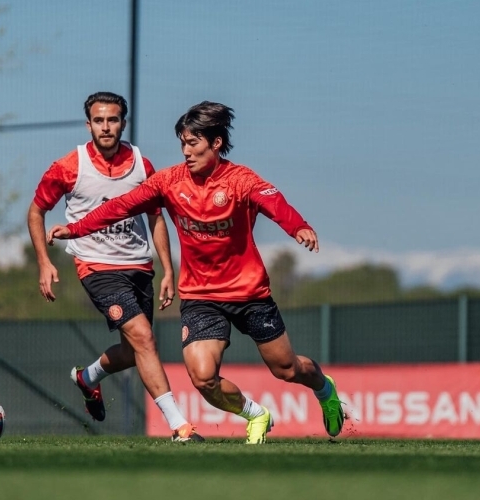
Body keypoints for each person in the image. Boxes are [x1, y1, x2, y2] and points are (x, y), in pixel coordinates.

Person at [47, 101, 345, 444]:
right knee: (203, 378)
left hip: (250, 294)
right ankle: (256, 414)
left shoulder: (241, 180)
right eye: (183, 144)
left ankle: (325, 389)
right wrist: (77, 228)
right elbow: (120, 207)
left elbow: (275, 204)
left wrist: (299, 228)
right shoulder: (170, 181)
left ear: (215, 143)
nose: (186, 152)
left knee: (287, 369)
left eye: (193, 144)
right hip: (201, 297)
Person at [28, 91, 203, 443]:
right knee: (144, 338)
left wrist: (169, 269)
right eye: (99, 120)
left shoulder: (143, 165)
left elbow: (156, 218)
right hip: (96, 267)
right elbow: (36, 212)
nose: (106, 127)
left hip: (139, 267)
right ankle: (180, 426)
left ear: (123, 122)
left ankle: (87, 378)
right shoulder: (68, 167)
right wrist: (44, 263)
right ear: (88, 124)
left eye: (113, 120)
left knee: (134, 349)